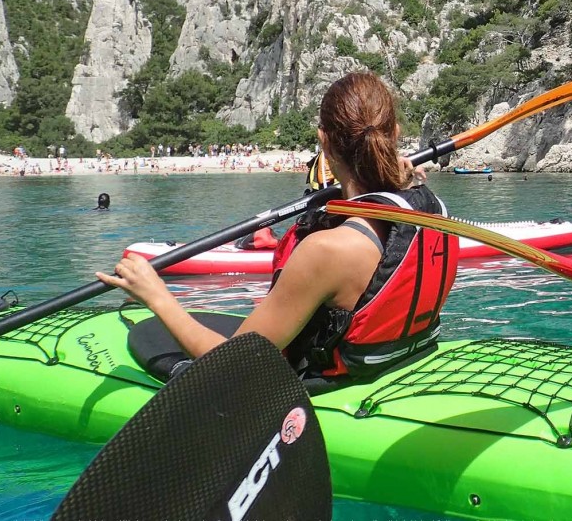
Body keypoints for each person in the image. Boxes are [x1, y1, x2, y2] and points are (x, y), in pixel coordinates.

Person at [97, 72, 459, 385]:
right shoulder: (431, 209)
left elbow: (235, 368)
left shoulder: (327, 251)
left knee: (153, 334)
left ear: (324, 142)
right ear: (394, 134)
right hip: (397, 358)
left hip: (333, 385)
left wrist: (156, 294)